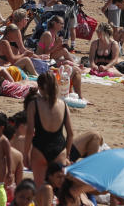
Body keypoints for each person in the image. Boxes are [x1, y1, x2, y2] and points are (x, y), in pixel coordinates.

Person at [23, 72, 70, 206]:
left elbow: (29, 132)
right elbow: (70, 133)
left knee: (40, 188)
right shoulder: (63, 105)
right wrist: (68, 153)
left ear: (40, 87)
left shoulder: (34, 104)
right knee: (61, 191)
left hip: (40, 148)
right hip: (59, 149)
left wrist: (26, 154)